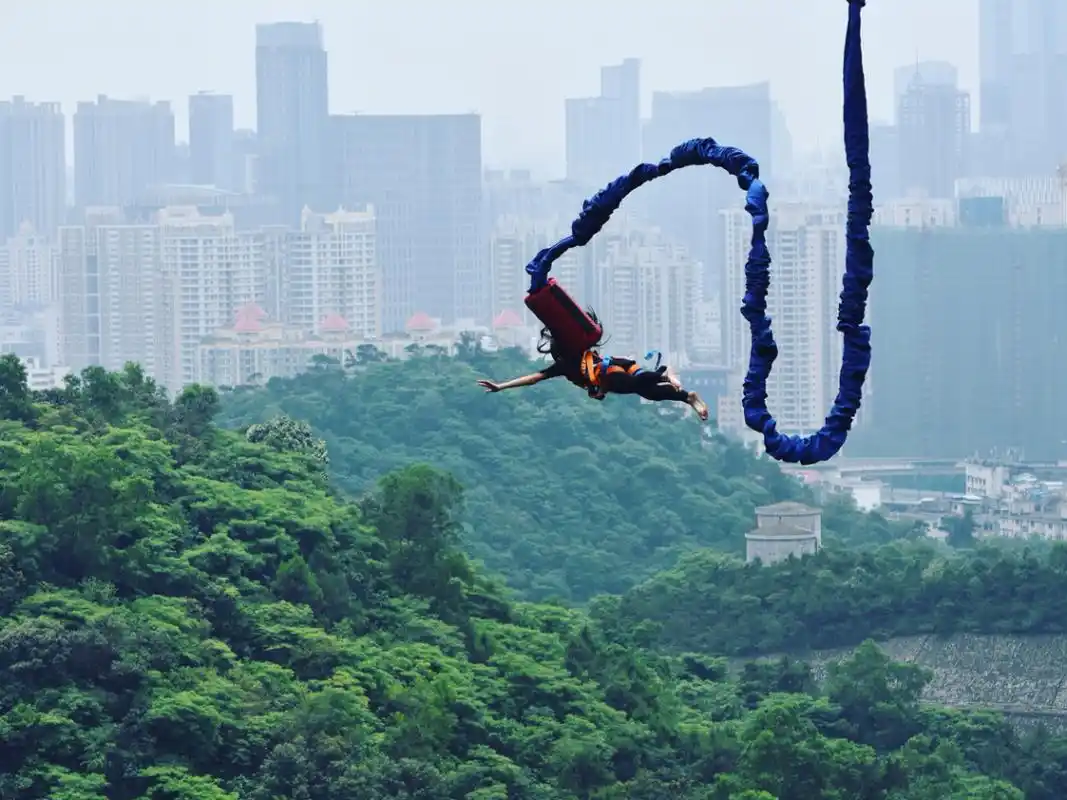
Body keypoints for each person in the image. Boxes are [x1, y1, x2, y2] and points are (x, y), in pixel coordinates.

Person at [477, 311, 709, 420]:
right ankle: (688, 397)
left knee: (639, 383)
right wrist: (501, 386)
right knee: (649, 393)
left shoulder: (576, 353)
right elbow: (532, 379)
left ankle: (664, 373)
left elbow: (533, 377)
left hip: (615, 370)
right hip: (616, 375)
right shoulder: (563, 365)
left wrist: (501, 386)